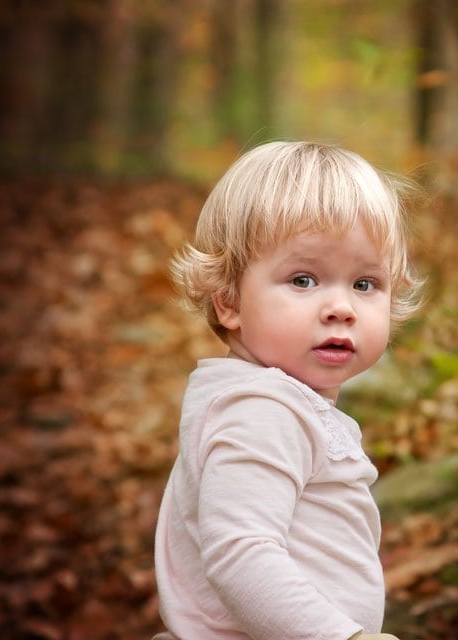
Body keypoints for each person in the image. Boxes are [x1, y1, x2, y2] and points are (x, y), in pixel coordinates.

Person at [153, 140, 423, 640]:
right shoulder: (262, 412)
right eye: (303, 279)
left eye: (365, 284)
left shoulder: (276, 402)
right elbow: (241, 554)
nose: (340, 306)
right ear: (229, 301)